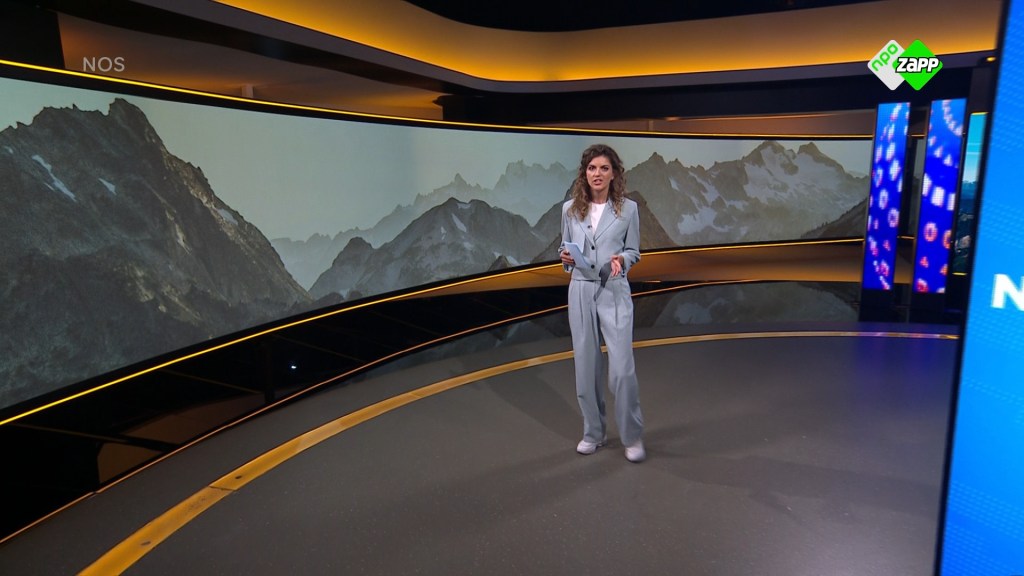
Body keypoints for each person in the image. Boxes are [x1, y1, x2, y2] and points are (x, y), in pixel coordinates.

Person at [559, 144, 645, 463]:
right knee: (586, 368)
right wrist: (566, 258)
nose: (597, 174)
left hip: (614, 290)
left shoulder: (628, 210)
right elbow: (564, 248)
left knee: (621, 370)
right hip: (580, 290)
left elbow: (634, 251)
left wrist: (623, 259)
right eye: (592, 168)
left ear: (614, 174)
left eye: (604, 168)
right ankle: (593, 433)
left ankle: (632, 437)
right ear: (584, 173)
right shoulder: (570, 209)